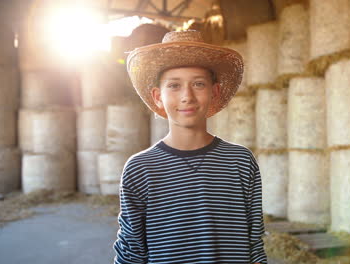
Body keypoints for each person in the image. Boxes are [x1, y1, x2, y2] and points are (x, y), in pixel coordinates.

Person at [113, 30, 267, 264]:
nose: (187, 96)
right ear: (157, 96)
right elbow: (131, 252)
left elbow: (254, 244)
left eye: (198, 84)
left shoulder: (240, 161)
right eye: (174, 86)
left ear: (214, 92)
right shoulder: (140, 169)